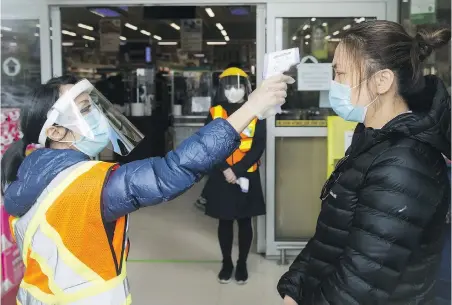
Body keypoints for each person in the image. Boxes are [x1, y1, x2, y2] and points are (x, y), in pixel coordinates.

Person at [1, 73, 293, 305]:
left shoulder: (30, 172)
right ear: (54, 131)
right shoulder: (84, 183)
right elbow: (171, 171)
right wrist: (251, 108)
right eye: (86, 110)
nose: (98, 116)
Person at [277, 21, 451, 305]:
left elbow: (359, 285)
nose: (333, 83)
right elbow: (331, 236)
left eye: (340, 73)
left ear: (382, 81)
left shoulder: (405, 164)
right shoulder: (372, 140)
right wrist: (294, 289)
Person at [203, 67, 266, 285]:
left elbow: (259, 146)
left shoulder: (256, 112)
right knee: (225, 221)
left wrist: (236, 170)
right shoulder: (214, 112)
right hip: (222, 176)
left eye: (239, 86)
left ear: (246, 88)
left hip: (246, 175)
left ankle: (242, 263)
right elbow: (208, 144)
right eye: (229, 86)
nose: (234, 91)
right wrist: (225, 169)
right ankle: (227, 263)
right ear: (222, 89)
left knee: (245, 221)